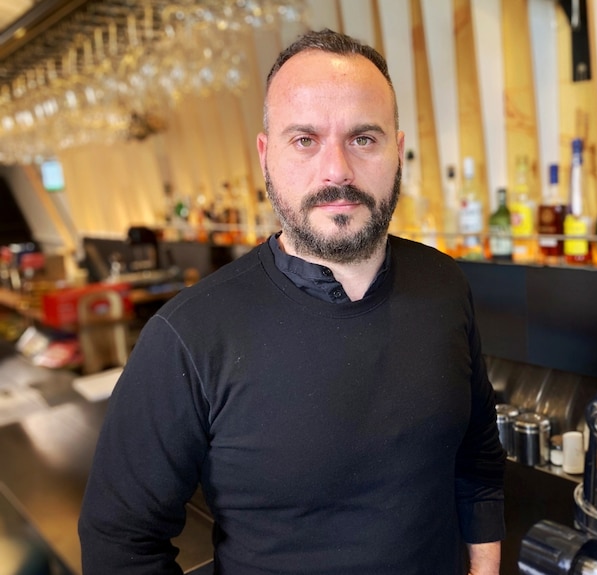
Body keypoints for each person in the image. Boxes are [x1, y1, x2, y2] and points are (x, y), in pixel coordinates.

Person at [78, 28, 506, 575]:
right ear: (266, 155)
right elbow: (120, 544)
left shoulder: (445, 284)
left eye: (363, 138)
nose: (337, 171)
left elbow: (478, 457)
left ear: (397, 151)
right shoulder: (189, 336)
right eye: (305, 139)